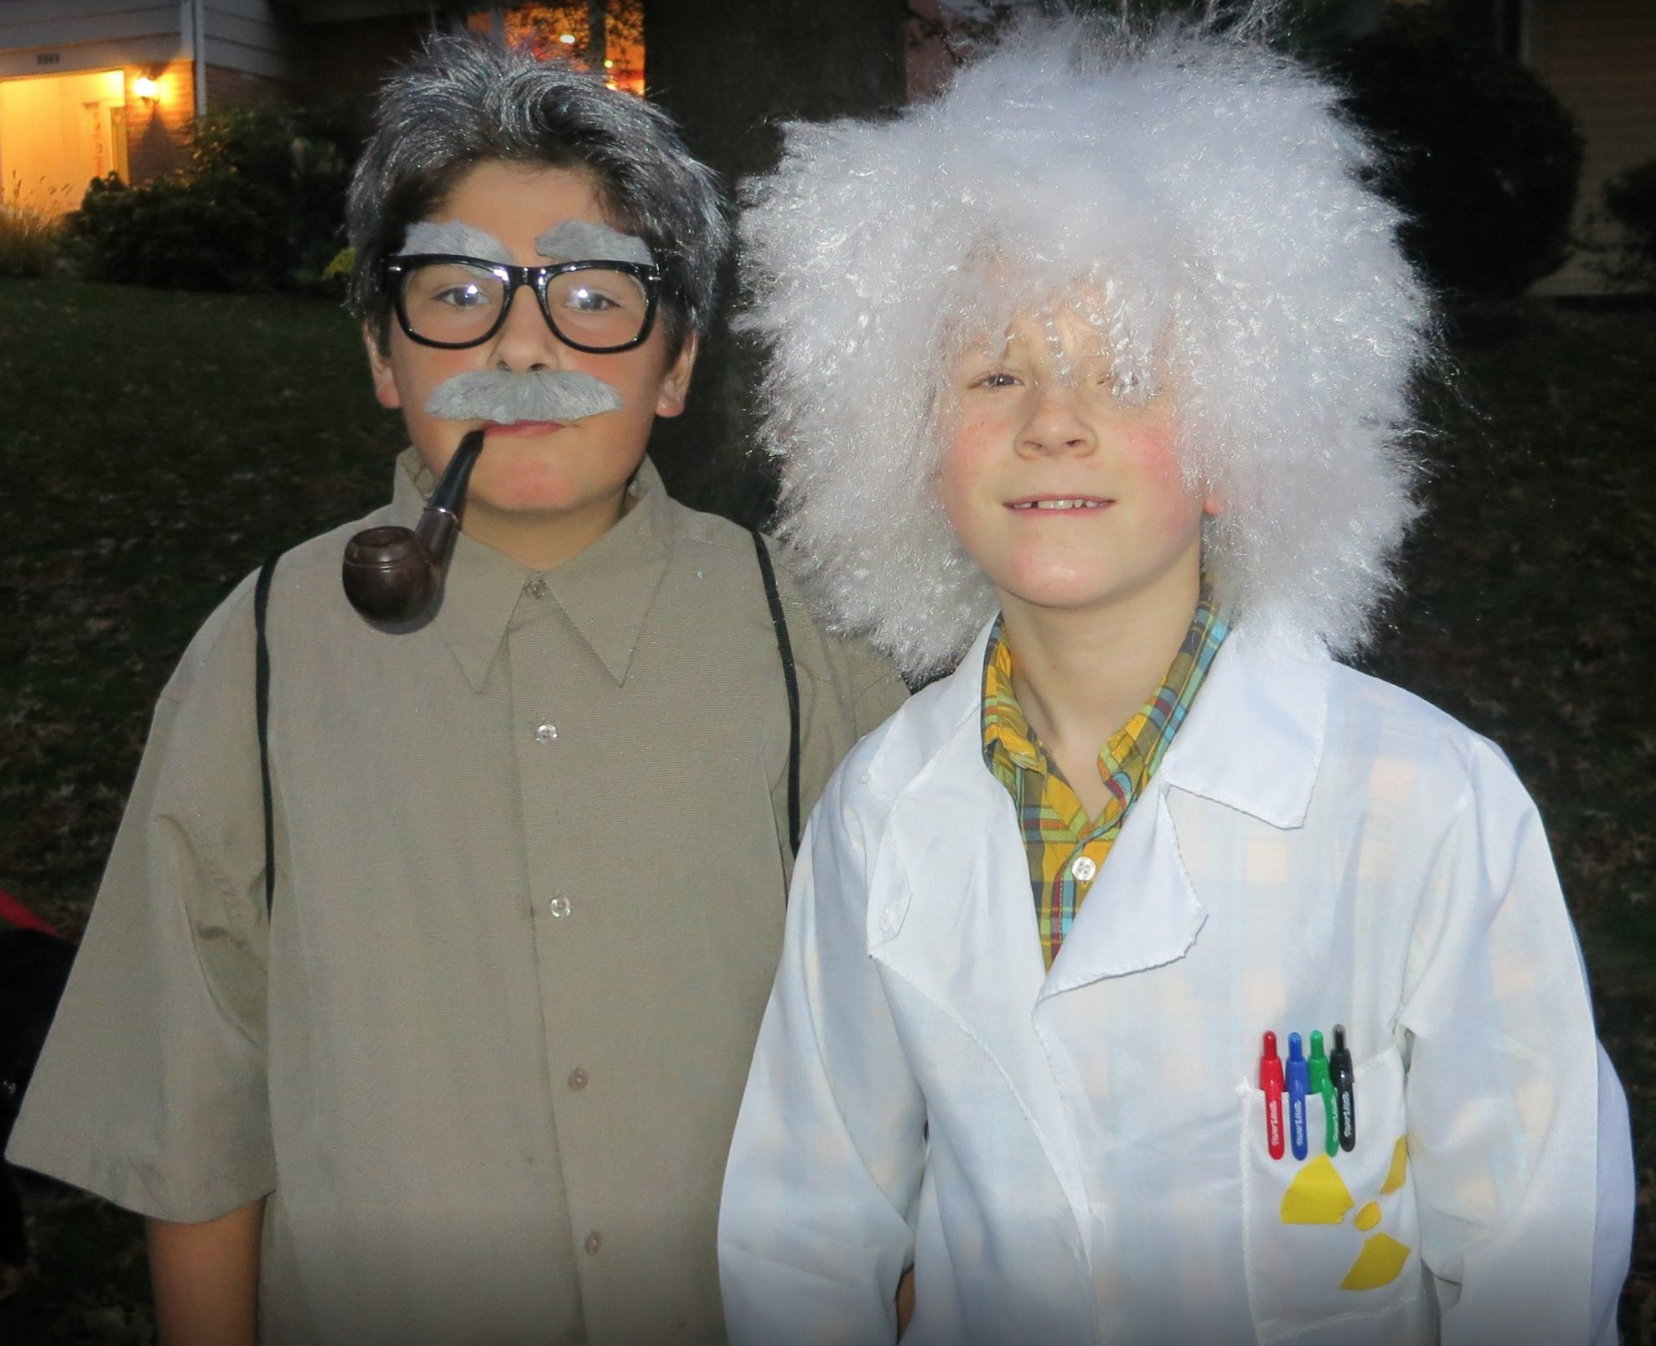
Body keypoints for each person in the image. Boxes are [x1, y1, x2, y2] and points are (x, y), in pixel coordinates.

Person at [717, 12, 1634, 1346]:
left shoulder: (1426, 803)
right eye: (996, 372)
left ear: (1244, 443)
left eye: (1129, 373)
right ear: (906, 441)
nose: (1054, 421)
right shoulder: (877, 813)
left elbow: (1534, 1249)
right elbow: (803, 1228)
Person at [7, 33, 905, 1346]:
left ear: (676, 365)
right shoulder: (257, 658)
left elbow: (916, 1092)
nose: (524, 345)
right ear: (385, 353)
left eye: (594, 292)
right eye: (459, 290)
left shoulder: (812, 643)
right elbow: (198, 1119)